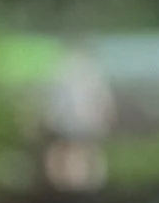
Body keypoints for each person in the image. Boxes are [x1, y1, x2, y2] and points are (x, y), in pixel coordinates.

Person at [40, 38, 115, 193]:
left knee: (75, 149)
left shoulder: (65, 70)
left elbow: (56, 99)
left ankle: (74, 180)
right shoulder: (87, 70)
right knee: (78, 149)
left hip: (74, 120)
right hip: (81, 120)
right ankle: (75, 180)